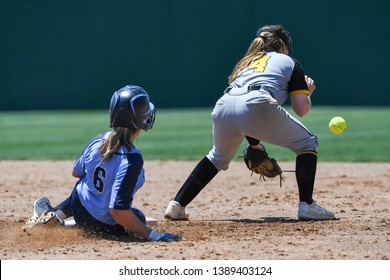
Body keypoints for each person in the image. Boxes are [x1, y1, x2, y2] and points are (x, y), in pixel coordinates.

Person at [164, 24, 335, 221]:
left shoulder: (246, 64)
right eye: (287, 46)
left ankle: (177, 205)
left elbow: (241, 111)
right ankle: (307, 205)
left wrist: (254, 144)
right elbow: (301, 109)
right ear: (281, 45)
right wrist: (308, 91)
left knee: (217, 157)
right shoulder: (289, 61)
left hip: (223, 105)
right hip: (257, 102)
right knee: (307, 143)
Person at [25, 85, 181, 242]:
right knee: (138, 218)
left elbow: (76, 173)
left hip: (79, 207)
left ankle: (55, 215)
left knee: (85, 185)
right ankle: (66, 224)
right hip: (102, 227)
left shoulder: (99, 140)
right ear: (141, 120)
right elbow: (118, 211)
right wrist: (154, 235)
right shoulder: (132, 159)